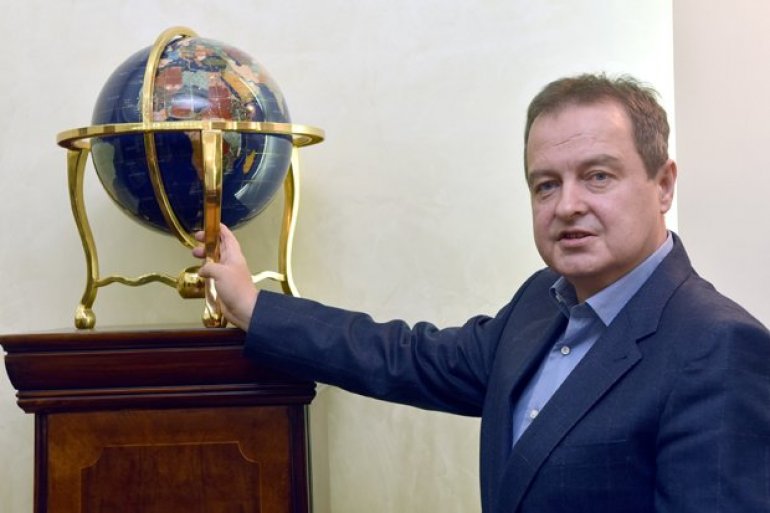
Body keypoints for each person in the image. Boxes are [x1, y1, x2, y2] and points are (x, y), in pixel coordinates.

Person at [193, 73, 770, 512]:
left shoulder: (717, 346)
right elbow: (408, 358)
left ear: (663, 185)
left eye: (598, 176)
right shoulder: (542, 301)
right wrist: (253, 306)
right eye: (546, 185)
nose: (568, 205)